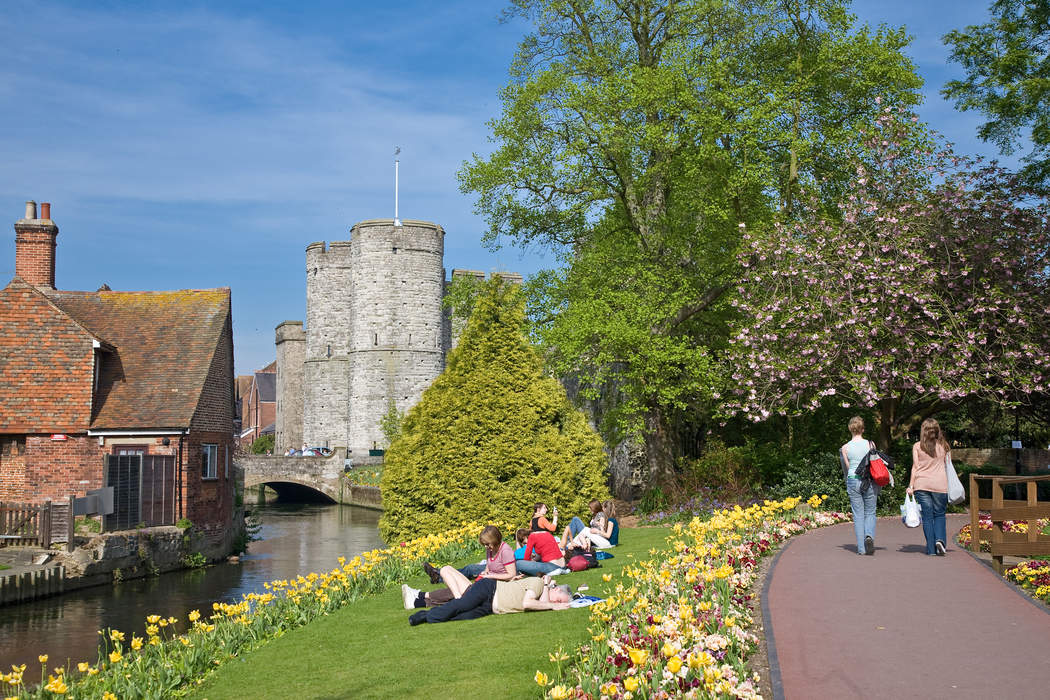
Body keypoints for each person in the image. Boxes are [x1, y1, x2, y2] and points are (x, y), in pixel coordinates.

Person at [407, 568, 571, 625]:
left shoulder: (543, 593)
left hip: (490, 607)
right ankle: (422, 616)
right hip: (489, 589)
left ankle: (430, 616)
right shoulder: (537, 583)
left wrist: (551, 600)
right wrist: (553, 603)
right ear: (556, 591)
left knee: (462, 617)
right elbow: (527, 603)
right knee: (460, 605)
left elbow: (543, 603)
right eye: (559, 599)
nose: (557, 603)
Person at [908, 418, 950, 556]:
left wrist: (911, 486)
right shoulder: (943, 445)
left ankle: (931, 550)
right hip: (940, 485)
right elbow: (948, 465)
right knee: (939, 515)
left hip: (922, 485)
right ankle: (940, 540)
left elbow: (915, 466)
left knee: (927, 517)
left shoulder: (917, 446)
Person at [840, 416, 879, 556]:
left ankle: (861, 549)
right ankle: (869, 535)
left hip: (853, 480)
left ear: (850, 429)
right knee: (870, 512)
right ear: (863, 429)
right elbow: (875, 463)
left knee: (858, 515)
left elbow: (848, 467)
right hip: (869, 480)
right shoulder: (871, 444)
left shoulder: (845, 448)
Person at [423, 525, 517, 583]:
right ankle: (440, 575)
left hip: (499, 582)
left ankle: (438, 574)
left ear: (495, 540)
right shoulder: (490, 549)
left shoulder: (505, 551)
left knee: (469, 571)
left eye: (487, 544)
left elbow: (511, 574)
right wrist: (486, 571)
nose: (486, 547)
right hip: (490, 579)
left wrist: (490, 576)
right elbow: (489, 564)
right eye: (484, 544)